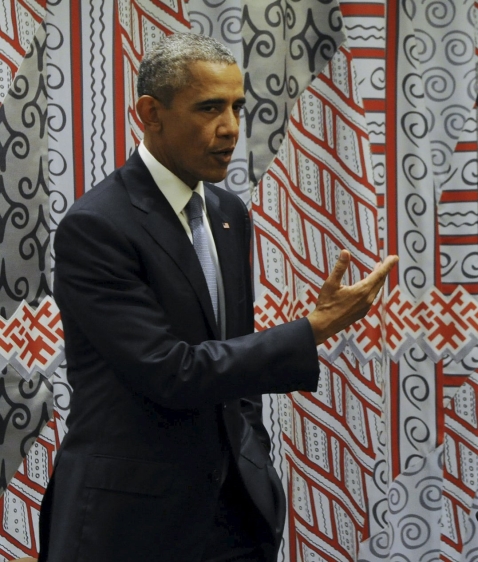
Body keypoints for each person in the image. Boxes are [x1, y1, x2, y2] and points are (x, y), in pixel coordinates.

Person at [38, 33, 398, 562]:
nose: (230, 127)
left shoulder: (229, 213)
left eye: (237, 107)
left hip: (233, 517)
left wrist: (256, 463)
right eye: (210, 108)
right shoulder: (97, 226)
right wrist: (312, 329)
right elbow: (170, 371)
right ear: (150, 114)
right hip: (130, 524)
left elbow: (234, 358)